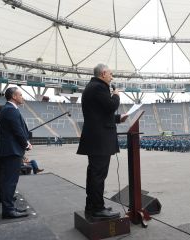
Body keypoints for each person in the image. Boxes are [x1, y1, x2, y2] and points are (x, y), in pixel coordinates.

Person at [77, 64, 128, 219]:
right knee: (98, 175)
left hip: (95, 138)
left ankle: (92, 205)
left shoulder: (92, 87)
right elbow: (111, 106)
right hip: (99, 140)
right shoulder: (99, 87)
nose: (112, 77)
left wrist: (118, 119)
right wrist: (116, 95)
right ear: (104, 73)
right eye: (111, 74)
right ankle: (98, 209)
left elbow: (99, 115)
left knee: (94, 174)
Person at [0, 87, 31, 219]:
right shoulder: (10, 110)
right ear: (14, 97)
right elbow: (17, 131)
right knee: (10, 181)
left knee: (10, 181)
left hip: (10, 150)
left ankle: (10, 207)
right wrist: (26, 144)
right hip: (12, 151)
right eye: (21, 95)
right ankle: (8, 210)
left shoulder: (8, 109)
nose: (23, 97)